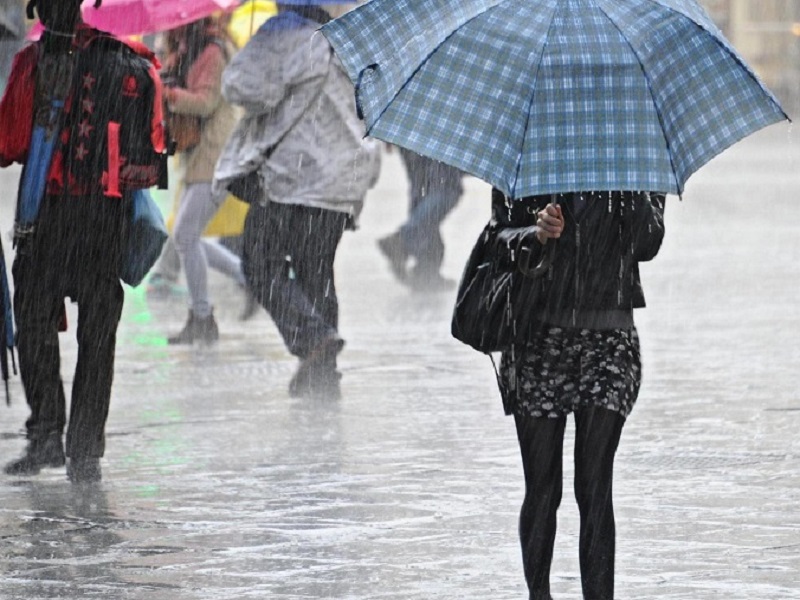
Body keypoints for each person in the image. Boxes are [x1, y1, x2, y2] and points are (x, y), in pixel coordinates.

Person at [0, 0, 166, 483]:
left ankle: (47, 432)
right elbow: (153, 153)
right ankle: (86, 446)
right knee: (99, 331)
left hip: (46, 216)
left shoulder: (33, 63)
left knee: (33, 317)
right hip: (105, 217)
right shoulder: (135, 64)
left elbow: (8, 143)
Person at [493, 189, 665, 599]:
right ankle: (539, 596)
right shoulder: (532, 150)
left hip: (609, 339)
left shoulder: (635, 153)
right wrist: (533, 233)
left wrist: (631, 188)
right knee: (542, 486)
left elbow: (648, 242)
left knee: (594, 484)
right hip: (538, 337)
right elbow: (497, 237)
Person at [213, 3, 380, 399]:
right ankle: (324, 376)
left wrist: (260, 49)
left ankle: (314, 339)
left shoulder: (284, 31)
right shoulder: (350, 41)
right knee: (318, 272)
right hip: (341, 182)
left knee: (259, 263)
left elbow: (241, 88)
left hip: (293, 178)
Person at [161, 17, 242, 344]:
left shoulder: (211, 51)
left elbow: (206, 102)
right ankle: (248, 277)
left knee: (184, 234)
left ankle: (203, 316)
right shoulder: (188, 50)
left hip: (214, 154)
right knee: (187, 235)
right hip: (200, 155)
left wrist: (168, 94)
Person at [378, 148, 463, 291]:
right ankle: (403, 240)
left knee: (423, 188)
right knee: (446, 187)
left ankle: (426, 272)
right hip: (436, 137)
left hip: (412, 135)